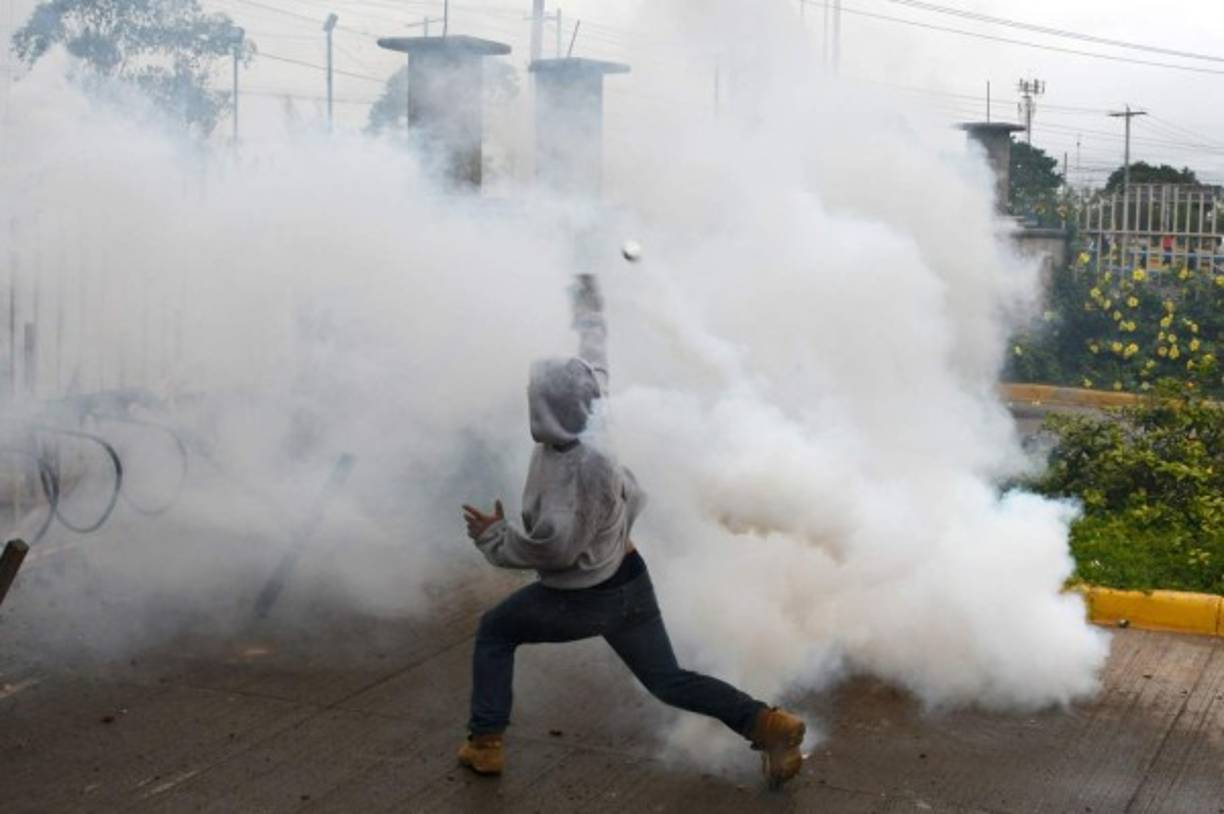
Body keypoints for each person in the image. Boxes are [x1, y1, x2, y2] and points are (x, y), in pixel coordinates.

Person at [458, 274, 806, 788]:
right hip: (629, 578)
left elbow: (554, 549)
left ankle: (485, 744)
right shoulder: (596, 415)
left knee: (495, 631)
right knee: (668, 681)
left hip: (584, 597)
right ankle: (767, 723)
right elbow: (594, 363)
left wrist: (493, 537)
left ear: (545, 407)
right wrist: (590, 314)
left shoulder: (567, 474)